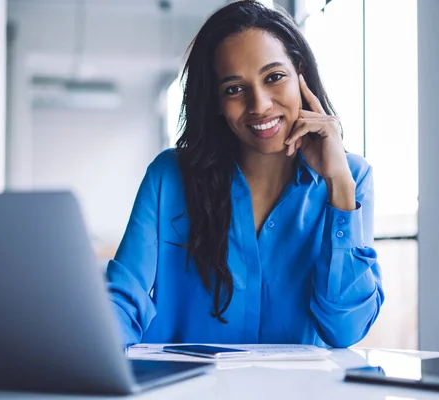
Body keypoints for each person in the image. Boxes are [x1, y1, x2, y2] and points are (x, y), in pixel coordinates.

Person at [106, 0, 383, 349]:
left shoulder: (351, 178)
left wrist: (339, 186)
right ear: (217, 103)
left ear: (300, 75)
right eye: (234, 89)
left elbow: (345, 330)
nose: (260, 104)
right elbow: (124, 296)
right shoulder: (169, 177)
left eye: (274, 77)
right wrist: (98, 359)